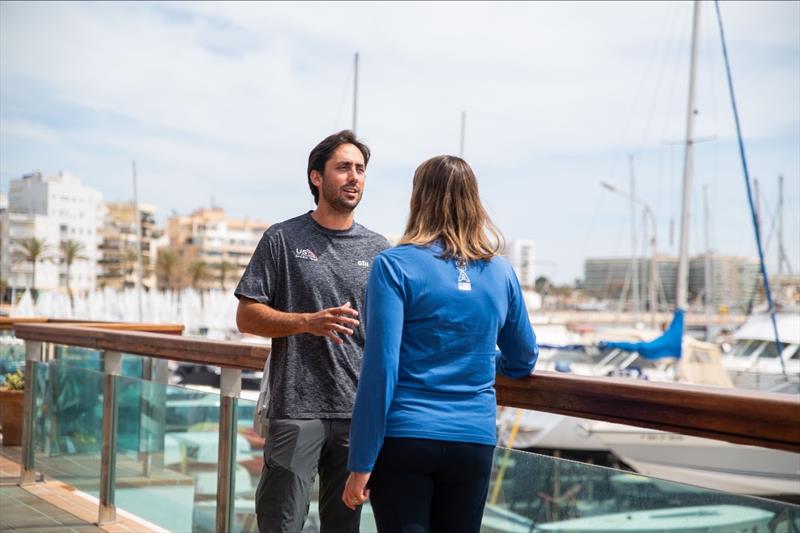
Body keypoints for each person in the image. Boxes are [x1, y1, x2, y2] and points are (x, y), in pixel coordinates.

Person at [342, 155, 538, 532]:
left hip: (407, 437)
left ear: (419, 199)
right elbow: (524, 358)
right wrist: (481, 359)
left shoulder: (394, 265)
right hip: (473, 440)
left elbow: (382, 368)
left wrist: (361, 463)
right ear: (474, 201)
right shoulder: (500, 271)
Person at [235, 130, 390, 533]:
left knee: (343, 528)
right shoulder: (282, 238)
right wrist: (307, 321)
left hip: (357, 414)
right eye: (343, 167)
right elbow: (247, 316)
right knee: (280, 523)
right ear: (317, 177)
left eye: (360, 169)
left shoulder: (380, 250)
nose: (354, 177)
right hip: (295, 411)